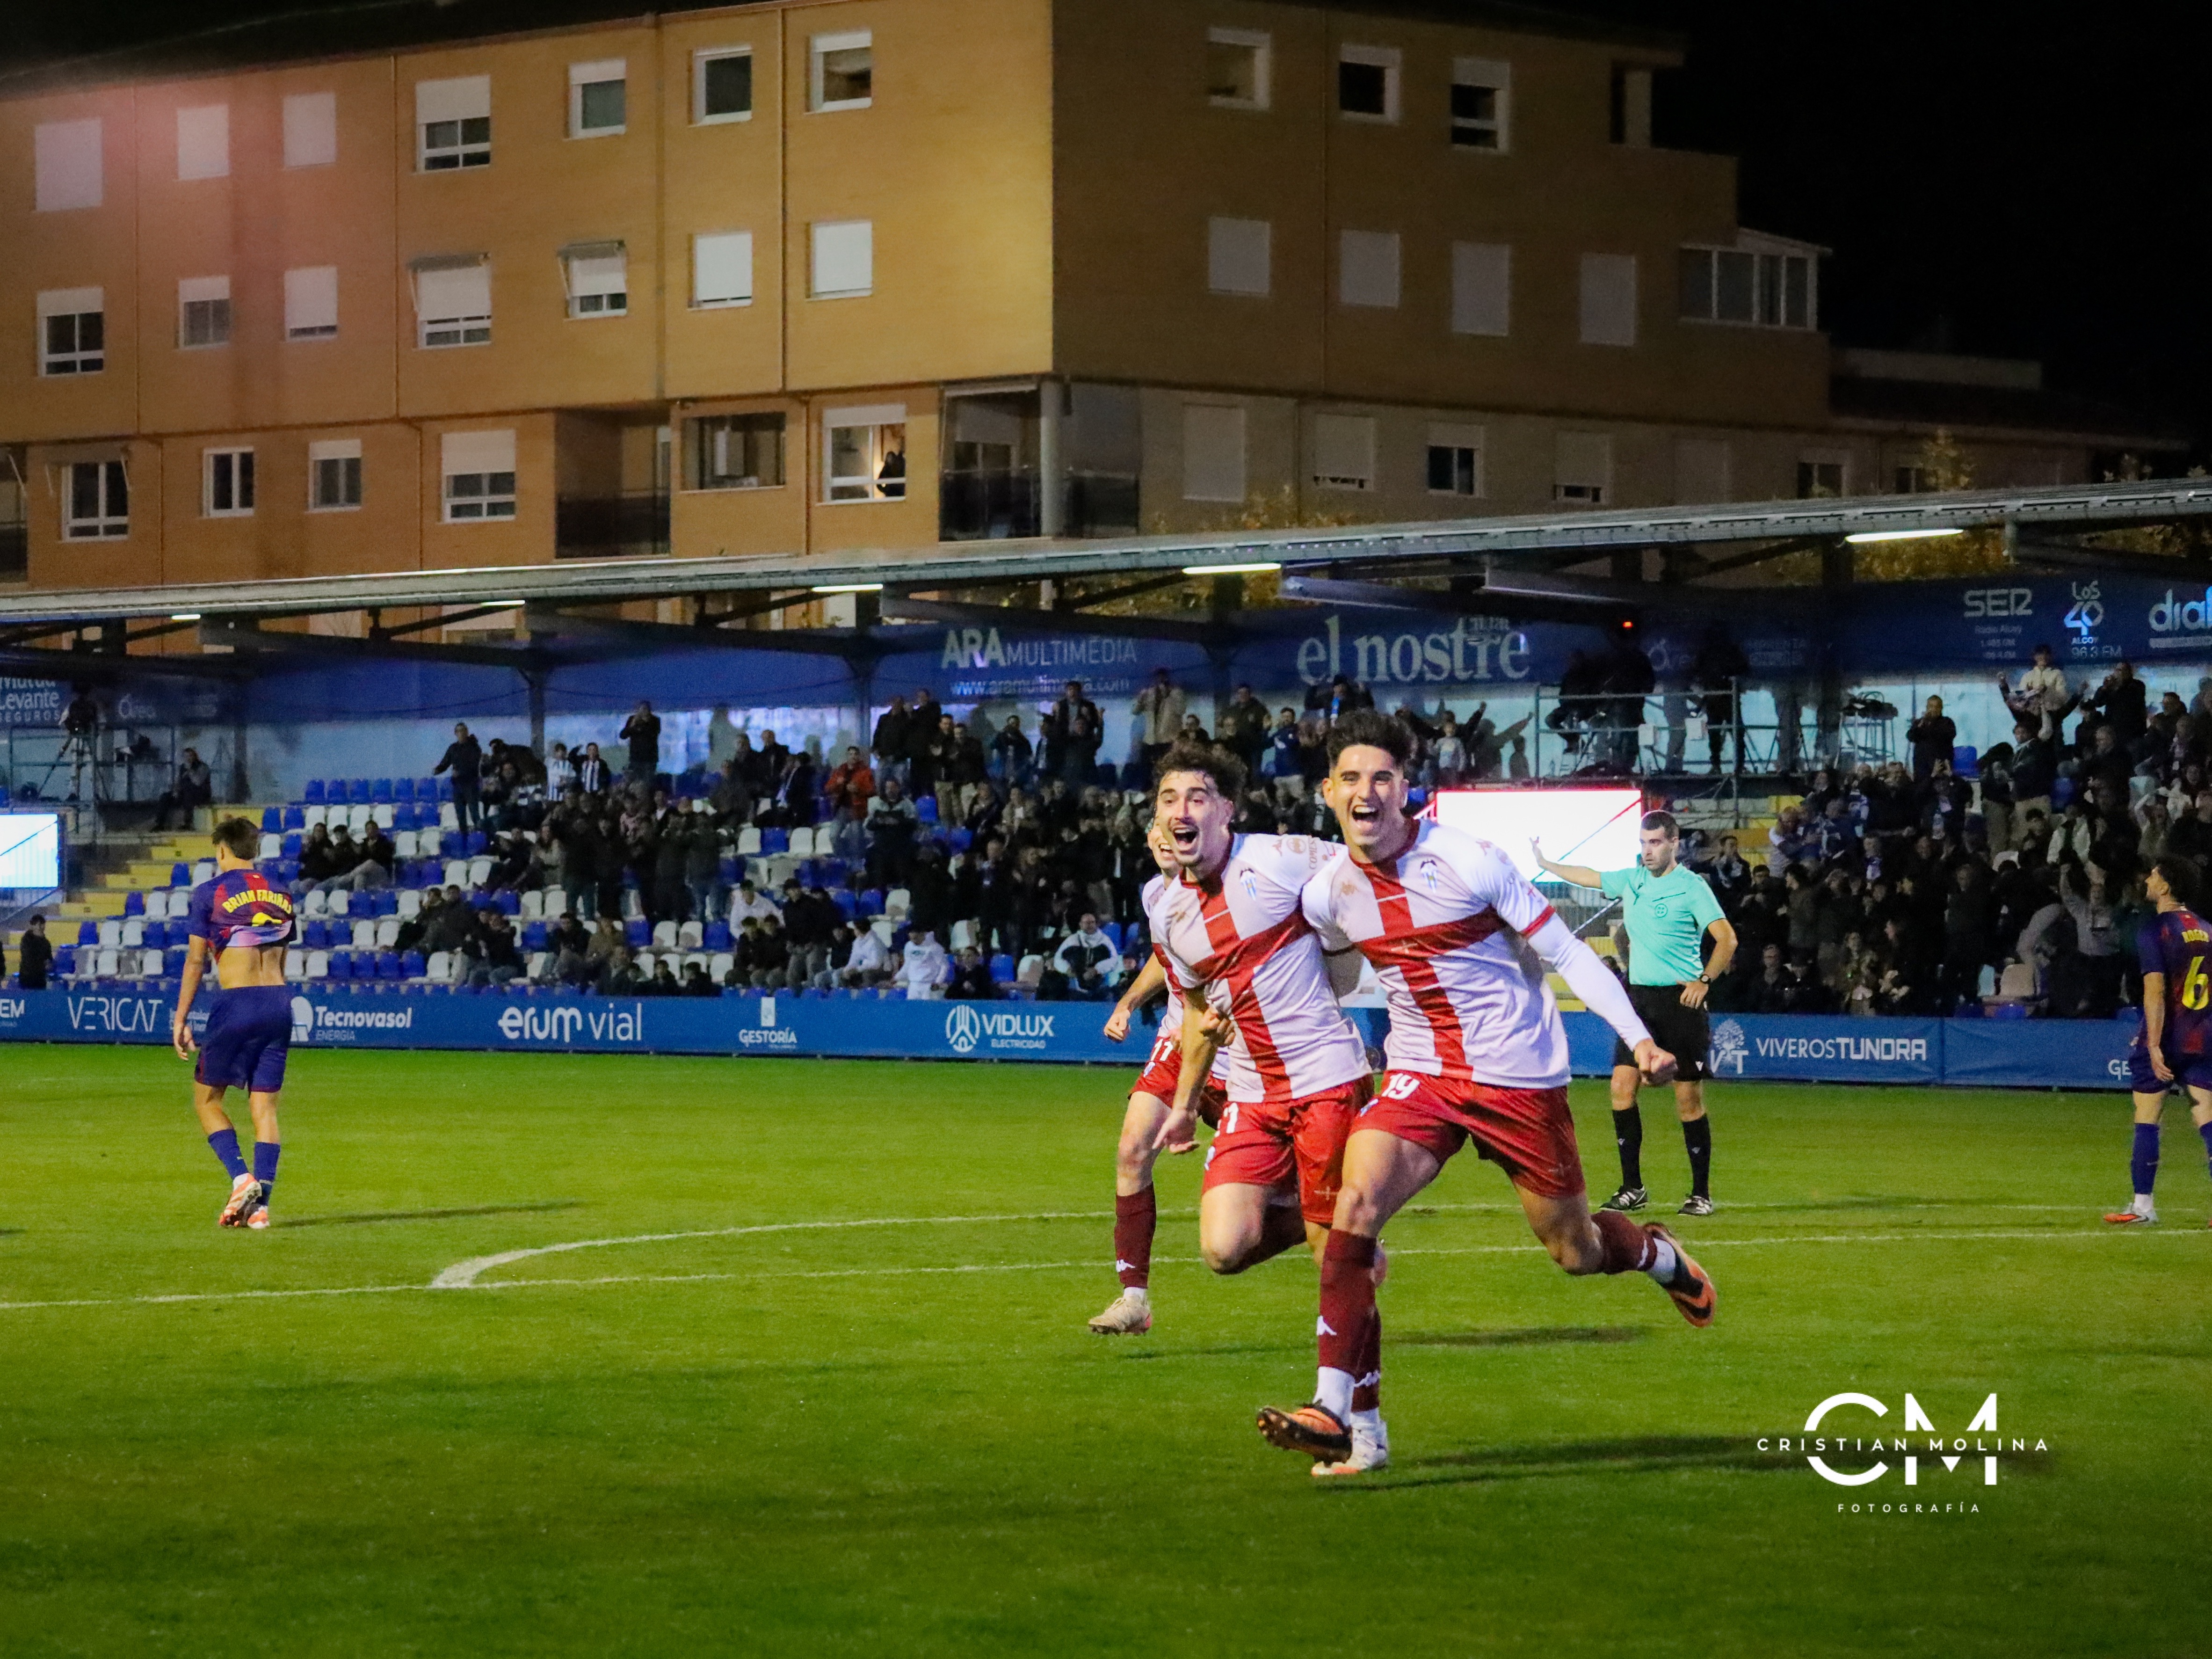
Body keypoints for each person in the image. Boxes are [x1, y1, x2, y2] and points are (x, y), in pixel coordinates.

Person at [1255, 711, 1707, 1477]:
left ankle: (1655, 1253)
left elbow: (1568, 953)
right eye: (1351, 778)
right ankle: (1341, 1416)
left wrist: (1638, 1039)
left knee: (1574, 1251)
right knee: (1349, 1210)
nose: (1366, 792)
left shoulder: (1467, 860)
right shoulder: (1329, 892)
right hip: (1421, 1075)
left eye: (1382, 778)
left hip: (1516, 1074)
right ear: (1327, 791)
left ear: (1405, 788)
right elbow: (1325, 967)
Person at [1145, 740, 1379, 1454]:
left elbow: (1365, 870)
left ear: (1226, 810)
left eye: (1196, 797)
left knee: (1335, 1258)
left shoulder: (1281, 857)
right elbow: (1195, 1017)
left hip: (1324, 1079)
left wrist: (1347, 951)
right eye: (1168, 798)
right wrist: (1183, 1105)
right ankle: (1341, 1226)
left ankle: (1358, 1427)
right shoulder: (1167, 911)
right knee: (1224, 1248)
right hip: (1250, 1094)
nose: (1181, 810)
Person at [1534, 809, 1736, 1216]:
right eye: (1643, 843)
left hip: (1680, 1003)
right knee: (1621, 1089)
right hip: (1639, 1003)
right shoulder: (1632, 880)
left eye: (1655, 843)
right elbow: (1589, 876)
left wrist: (1703, 981)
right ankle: (1632, 1188)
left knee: (1687, 1101)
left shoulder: (1691, 887)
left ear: (1674, 843)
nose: (1647, 851)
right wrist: (1546, 864)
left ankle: (1700, 1194)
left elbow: (1726, 940)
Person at [1088, 823, 1236, 1336]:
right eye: (1159, 820)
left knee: (1280, 1191)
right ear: (1150, 839)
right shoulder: (1156, 894)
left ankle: (1350, 1233)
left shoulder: (1234, 893)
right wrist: (1129, 1002)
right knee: (1132, 1149)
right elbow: (1165, 953)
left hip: (1242, 1055)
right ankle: (1133, 1300)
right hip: (1179, 1045)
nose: (1167, 833)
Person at [172, 817, 298, 1230]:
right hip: (279, 1002)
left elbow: (196, 961)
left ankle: (241, 1178)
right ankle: (260, 1209)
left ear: (222, 850)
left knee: (207, 1101)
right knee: (265, 1108)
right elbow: (282, 955)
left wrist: (181, 1017)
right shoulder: (282, 892)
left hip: (238, 1002)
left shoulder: (210, 893)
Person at [2103, 856, 2212, 1227]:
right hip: (2201, 1035)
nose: (2147, 880)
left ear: (2165, 886)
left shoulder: (2156, 930)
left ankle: (2142, 1206)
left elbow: (2155, 989)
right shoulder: (2207, 929)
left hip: (2166, 1035)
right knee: (2206, 1117)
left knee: (2147, 1116)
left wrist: (2152, 1044)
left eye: (2153, 875)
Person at [435, 722, 484, 836]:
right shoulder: (453, 748)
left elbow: (474, 766)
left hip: (471, 785)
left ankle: (480, 837)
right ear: (456, 733)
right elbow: (446, 762)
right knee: (460, 815)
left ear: (467, 732)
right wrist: (438, 770)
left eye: (463, 731)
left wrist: (460, 773)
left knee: (474, 814)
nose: (461, 733)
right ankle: (464, 838)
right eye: (459, 731)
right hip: (458, 786)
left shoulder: (475, 748)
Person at [152, 747, 214, 831]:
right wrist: (175, 791)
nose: (188, 759)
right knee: (165, 797)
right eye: (186, 757)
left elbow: (198, 782)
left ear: (195, 756)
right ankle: (160, 824)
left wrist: (190, 771)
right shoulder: (182, 767)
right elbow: (179, 782)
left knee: (188, 794)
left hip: (200, 795)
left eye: (190, 756)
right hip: (184, 793)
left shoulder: (203, 767)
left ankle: (188, 824)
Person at [1905, 695, 1957, 782]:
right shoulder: (1920, 723)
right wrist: (1922, 722)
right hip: (1921, 766)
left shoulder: (1947, 722)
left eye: (1937, 707)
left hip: (1940, 765)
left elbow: (1947, 735)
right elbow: (1911, 737)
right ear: (1927, 708)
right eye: (1931, 707)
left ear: (1941, 708)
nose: (1934, 710)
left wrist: (1931, 724)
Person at [620, 700, 662, 784]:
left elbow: (653, 734)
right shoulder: (632, 720)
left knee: (648, 782)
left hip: (650, 759)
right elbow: (623, 736)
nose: (643, 711)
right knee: (635, 782)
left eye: (645, 709)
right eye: (641, 709)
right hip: (636, 758)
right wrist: (633, 724)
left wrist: (645, 723)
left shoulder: (655, 720)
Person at [16, 913, 53, 989]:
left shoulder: (46, 943)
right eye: (36, 925)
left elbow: (49, 958)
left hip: (40, 979)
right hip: (27, 977)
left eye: (41, 924)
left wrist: (49, 963)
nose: (39, 928)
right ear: (32, 926)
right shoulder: (26, 941)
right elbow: (29, 958)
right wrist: (43, 964)